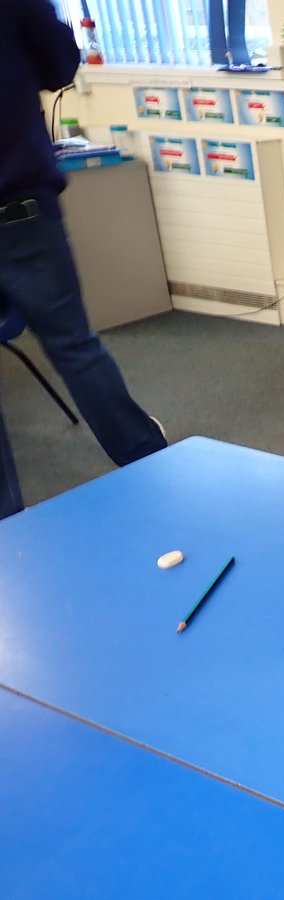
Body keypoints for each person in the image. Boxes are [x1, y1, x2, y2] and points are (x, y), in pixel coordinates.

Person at [0, 0, 167, 520]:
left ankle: (8, 526)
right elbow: (58, 65)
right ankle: (152, 464)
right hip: (18, 208)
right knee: (74, 346)